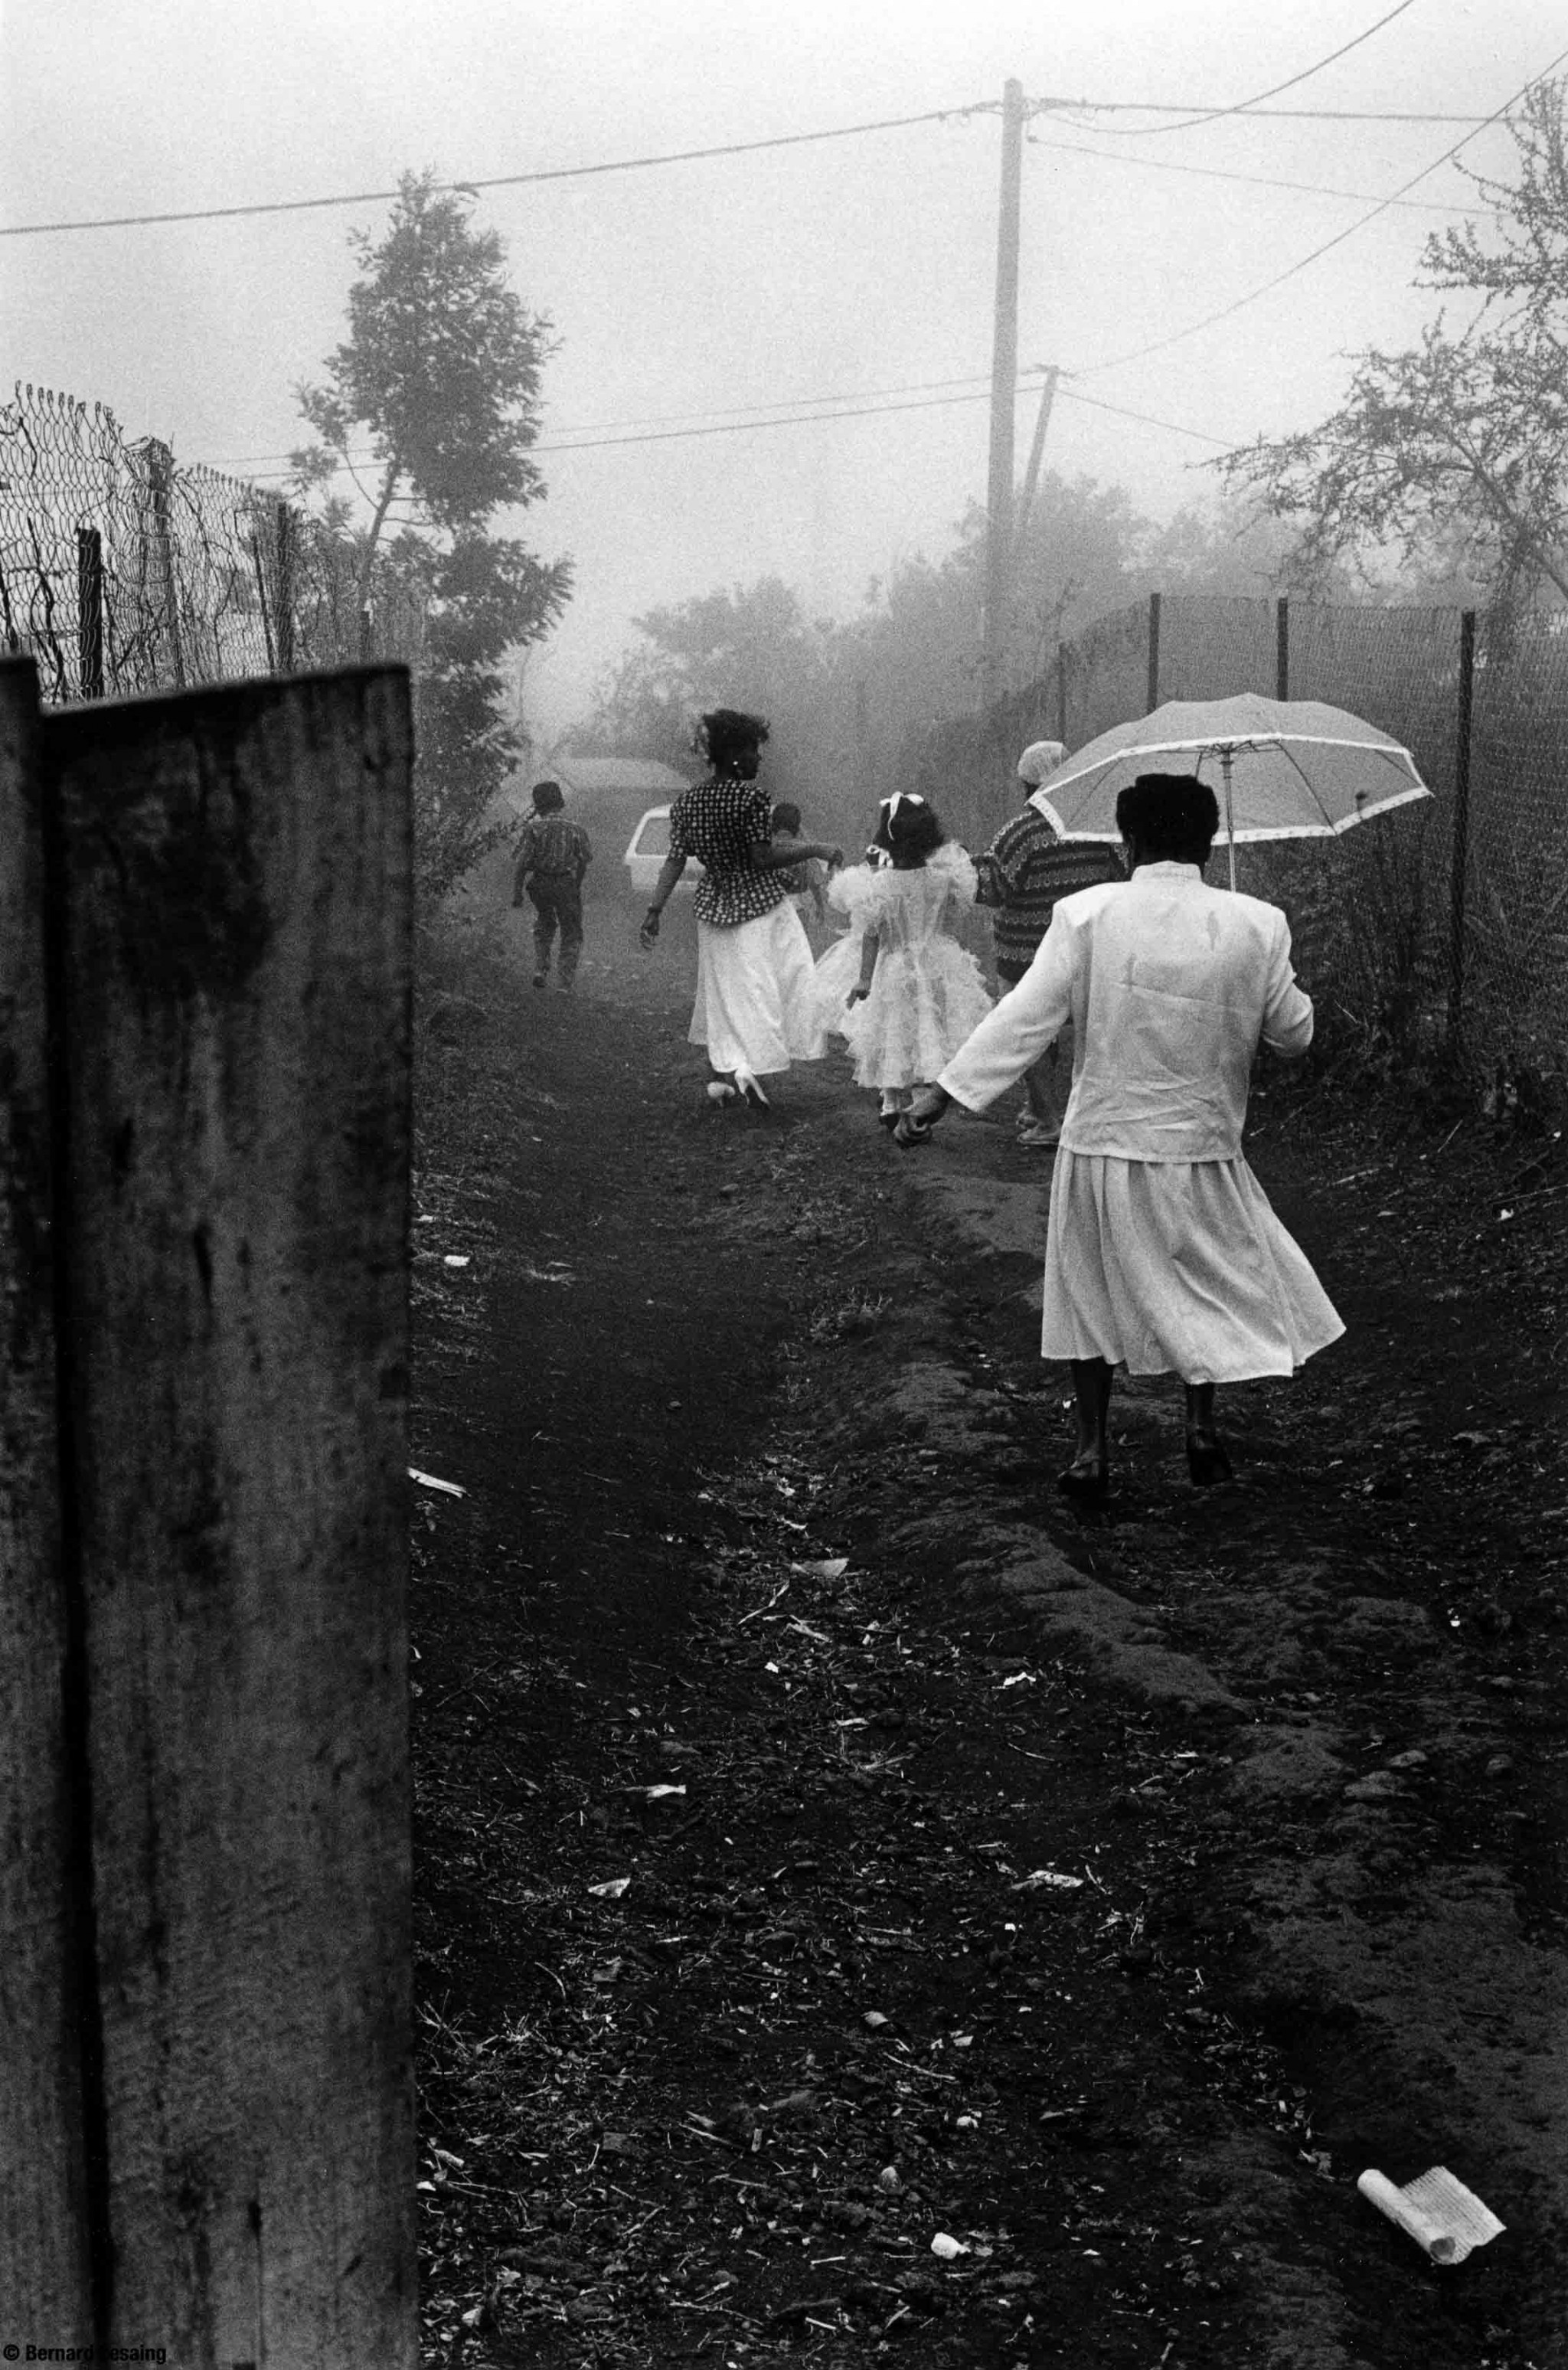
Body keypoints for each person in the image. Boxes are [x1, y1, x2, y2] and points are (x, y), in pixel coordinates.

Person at [895, 773, 1343, 1499]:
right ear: (1209, 841)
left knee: (1088, 1291)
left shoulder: (1086, 914)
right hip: (1203, 1145)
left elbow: (1025, 1017)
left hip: (1103, 1139)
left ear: (1128, 842)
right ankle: (1199, 1428)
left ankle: (1092, 1449)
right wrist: (1271, 966)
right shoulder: (1258, 921)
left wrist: (942, 1095)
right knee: (1203, 1280)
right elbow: (1295, 1033)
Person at [639, 710, 842, 1110]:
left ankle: (723, 1073)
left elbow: (675, 861)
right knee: (780, 980)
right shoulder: (751, 799)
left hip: (714, 904)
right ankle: (751, 1065)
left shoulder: (687, 803)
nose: (758, 760)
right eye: (753, 751)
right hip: (761, 903)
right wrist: (816, 849)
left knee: (724, 990)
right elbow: (762, 857)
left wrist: (654, 909)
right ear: (734, 755)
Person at [975, 740, 1124, 1149]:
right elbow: (1120, 880)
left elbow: (993, 888)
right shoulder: (1097, 830)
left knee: (1030, 1033)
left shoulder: (1019, 832)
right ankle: (1081, 1113)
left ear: (1026, 784)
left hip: (1027, 956)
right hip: (1090, 951)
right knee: (1087, 1033)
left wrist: (966, 870)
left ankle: (1046, 1117)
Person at [812, 793, 992, 1129]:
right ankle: (920, 1099)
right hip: (937, 960)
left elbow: (871, 934)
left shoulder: (879, 885)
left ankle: (892, 1099)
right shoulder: (943, 879)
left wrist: (865, 978)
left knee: (894, 1028)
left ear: (887, 837)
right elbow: (950, 917)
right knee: (930, 1027)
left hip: (894, 965)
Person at [512, 780, 592, 992]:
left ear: (538, 805)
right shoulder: (576, 829)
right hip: (566, 884)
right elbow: (584, 860)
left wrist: (517, 893)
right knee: (571, 931)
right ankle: (564, 983)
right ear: (560, 803)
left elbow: (521, 864)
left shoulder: (533, 829)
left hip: (540, 884)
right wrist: (576, 884)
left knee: (544, 923)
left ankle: (540, 967)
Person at [769, 801, 830, 929]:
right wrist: (820, 906)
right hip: (797, 911)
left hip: (771, 909)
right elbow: (813, 883)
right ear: (797, 828)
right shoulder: (804, 852)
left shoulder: (766, 852)